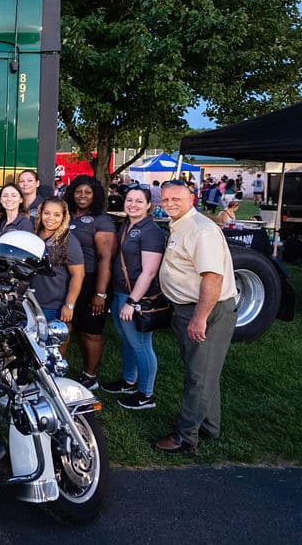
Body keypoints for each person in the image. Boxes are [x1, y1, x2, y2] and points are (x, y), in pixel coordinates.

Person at [154, 180, 238, 454]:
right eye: (165, 199)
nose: (169, 204)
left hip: (206, 310)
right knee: (203, 371)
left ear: (192, 198)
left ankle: (186, 437)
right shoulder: (182, 224)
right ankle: (209, 426)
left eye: (176, 198)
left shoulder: (201, 230)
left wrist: (200, 318)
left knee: (199, 377)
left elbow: (212, 278)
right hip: (187, 308)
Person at [104, 184, 166, 410]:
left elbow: (149, 271)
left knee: (141, 345)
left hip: (137, 297)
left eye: (139, 201)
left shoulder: (150, 231)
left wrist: (132, 301)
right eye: (129, 200)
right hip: (121, 292)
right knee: (127, 340)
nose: (133, 204)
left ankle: (146, 394)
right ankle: (129, 381)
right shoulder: (127, 226)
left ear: (149, 205)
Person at [64, 175, 116, 391]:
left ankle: (90, 375)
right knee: (66, 326)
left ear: (95, 195)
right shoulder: (67, 215)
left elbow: (106, 258)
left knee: (90, 331)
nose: (82, 196)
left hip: (93, 280)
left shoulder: (100, 219)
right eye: (78, 191)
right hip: (69, 278)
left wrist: (101, 293)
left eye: (87, 192)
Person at [30, 197, 85, 324]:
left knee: (48, 342)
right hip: (30, 300)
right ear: (41, 213)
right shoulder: (34, 234)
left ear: (64, 217)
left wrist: (69, 305)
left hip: (53, 305)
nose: (50, 218)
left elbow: (78, 274)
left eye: (57, 215)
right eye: (46, 213)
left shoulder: (69, 241)